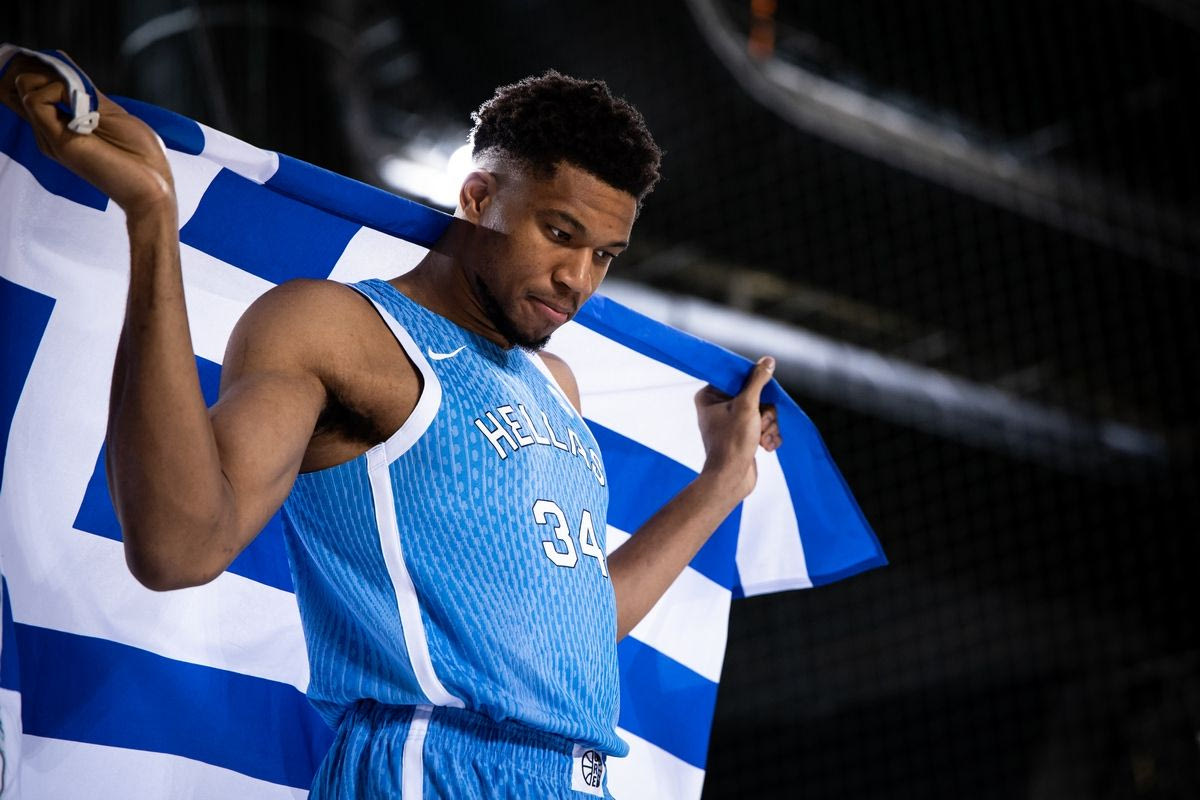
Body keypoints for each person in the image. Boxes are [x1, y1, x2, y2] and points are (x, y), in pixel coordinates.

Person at [1, 54, 781, 798]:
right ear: (477, 197)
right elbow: (178, 547)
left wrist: (720, 484)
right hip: (427, 767)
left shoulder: (556, 386)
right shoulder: (340, 331)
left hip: (577, 777)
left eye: (605, 255)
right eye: (559, 233)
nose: (578, 279)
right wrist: (152, 219)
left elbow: (574, 628)